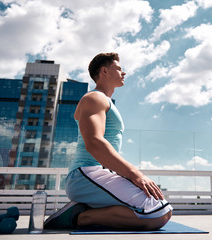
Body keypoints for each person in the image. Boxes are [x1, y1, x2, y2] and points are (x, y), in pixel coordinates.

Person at [44, 53, 172, 230]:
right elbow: (94, 142)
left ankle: (85, 208)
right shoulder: (94, 98)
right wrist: (136, 174)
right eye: (118, 68)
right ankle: (79, 216)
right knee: (157, 212)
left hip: (100, 174)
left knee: (161, 209)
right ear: (104, 71)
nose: (123, 72)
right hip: (85, 174)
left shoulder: (105, 101)